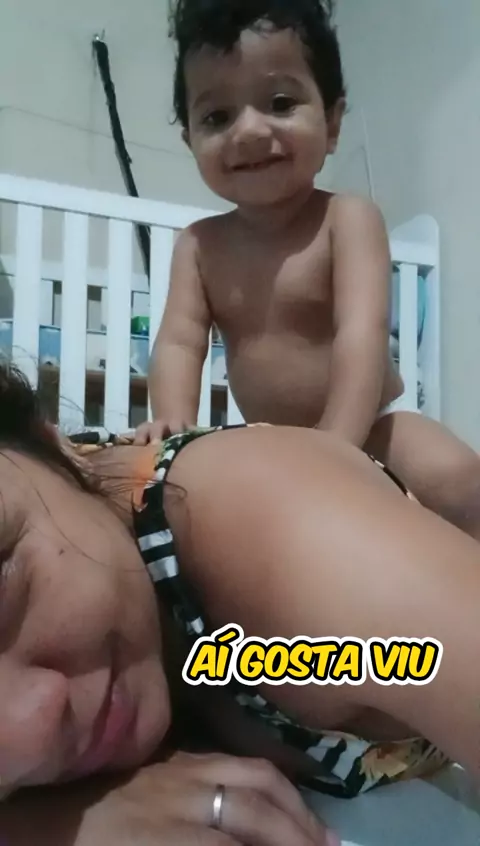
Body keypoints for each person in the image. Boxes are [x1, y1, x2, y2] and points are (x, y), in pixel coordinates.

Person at [1, 360, 480, 845]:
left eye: (6, 594)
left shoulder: (282, 541)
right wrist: (42, 825)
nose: (32, 733)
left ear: (53, 449)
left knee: (448, 475)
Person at [136, 0, 480, 540]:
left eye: (279, 103)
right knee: (207, 512)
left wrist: (336, 444)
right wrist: (173, 428)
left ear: (333, 122)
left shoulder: (348, 219)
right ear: (190, 141)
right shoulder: (198, 245)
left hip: (371, 427)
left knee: (458, 477)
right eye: (217, 117)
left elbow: (361, 334)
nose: (249, 131)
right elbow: (179, 343)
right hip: (271, 438)